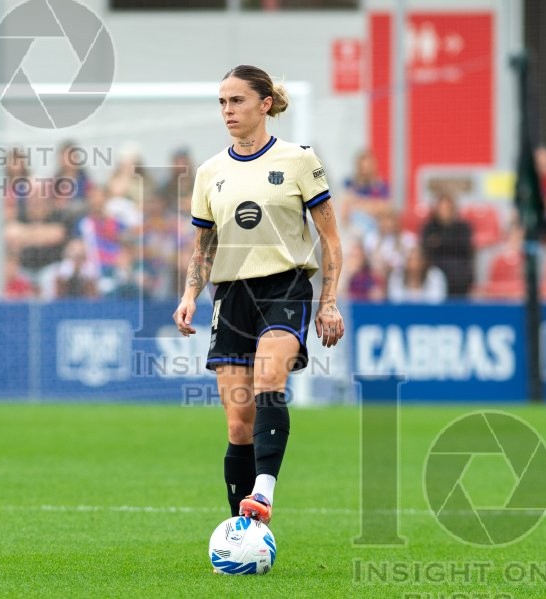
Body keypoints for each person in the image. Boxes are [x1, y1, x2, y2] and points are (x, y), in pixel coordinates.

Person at [173, 65, 344, 525]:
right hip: (230, 296)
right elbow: (203, 245)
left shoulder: (298, 160)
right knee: (237, 424)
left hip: (284, 285)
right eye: (223, 102)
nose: (228, 110)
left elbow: (329, 238)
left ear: (265, 105)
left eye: (237, 101)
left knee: (270, 381)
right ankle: (241, 529)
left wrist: (328, 301)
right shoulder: (210, 172)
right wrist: (190, 294)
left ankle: (264, 493)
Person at [421, 194, 474, 297]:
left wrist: (439, 242)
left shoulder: (463, 227)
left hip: (459, 270)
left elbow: (463, 247)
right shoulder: (429, 227)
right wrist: (450, 242)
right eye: (441, 208)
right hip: (435, 267)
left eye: (447, 208)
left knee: (458, 273)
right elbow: (426, 247)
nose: (444, 211)